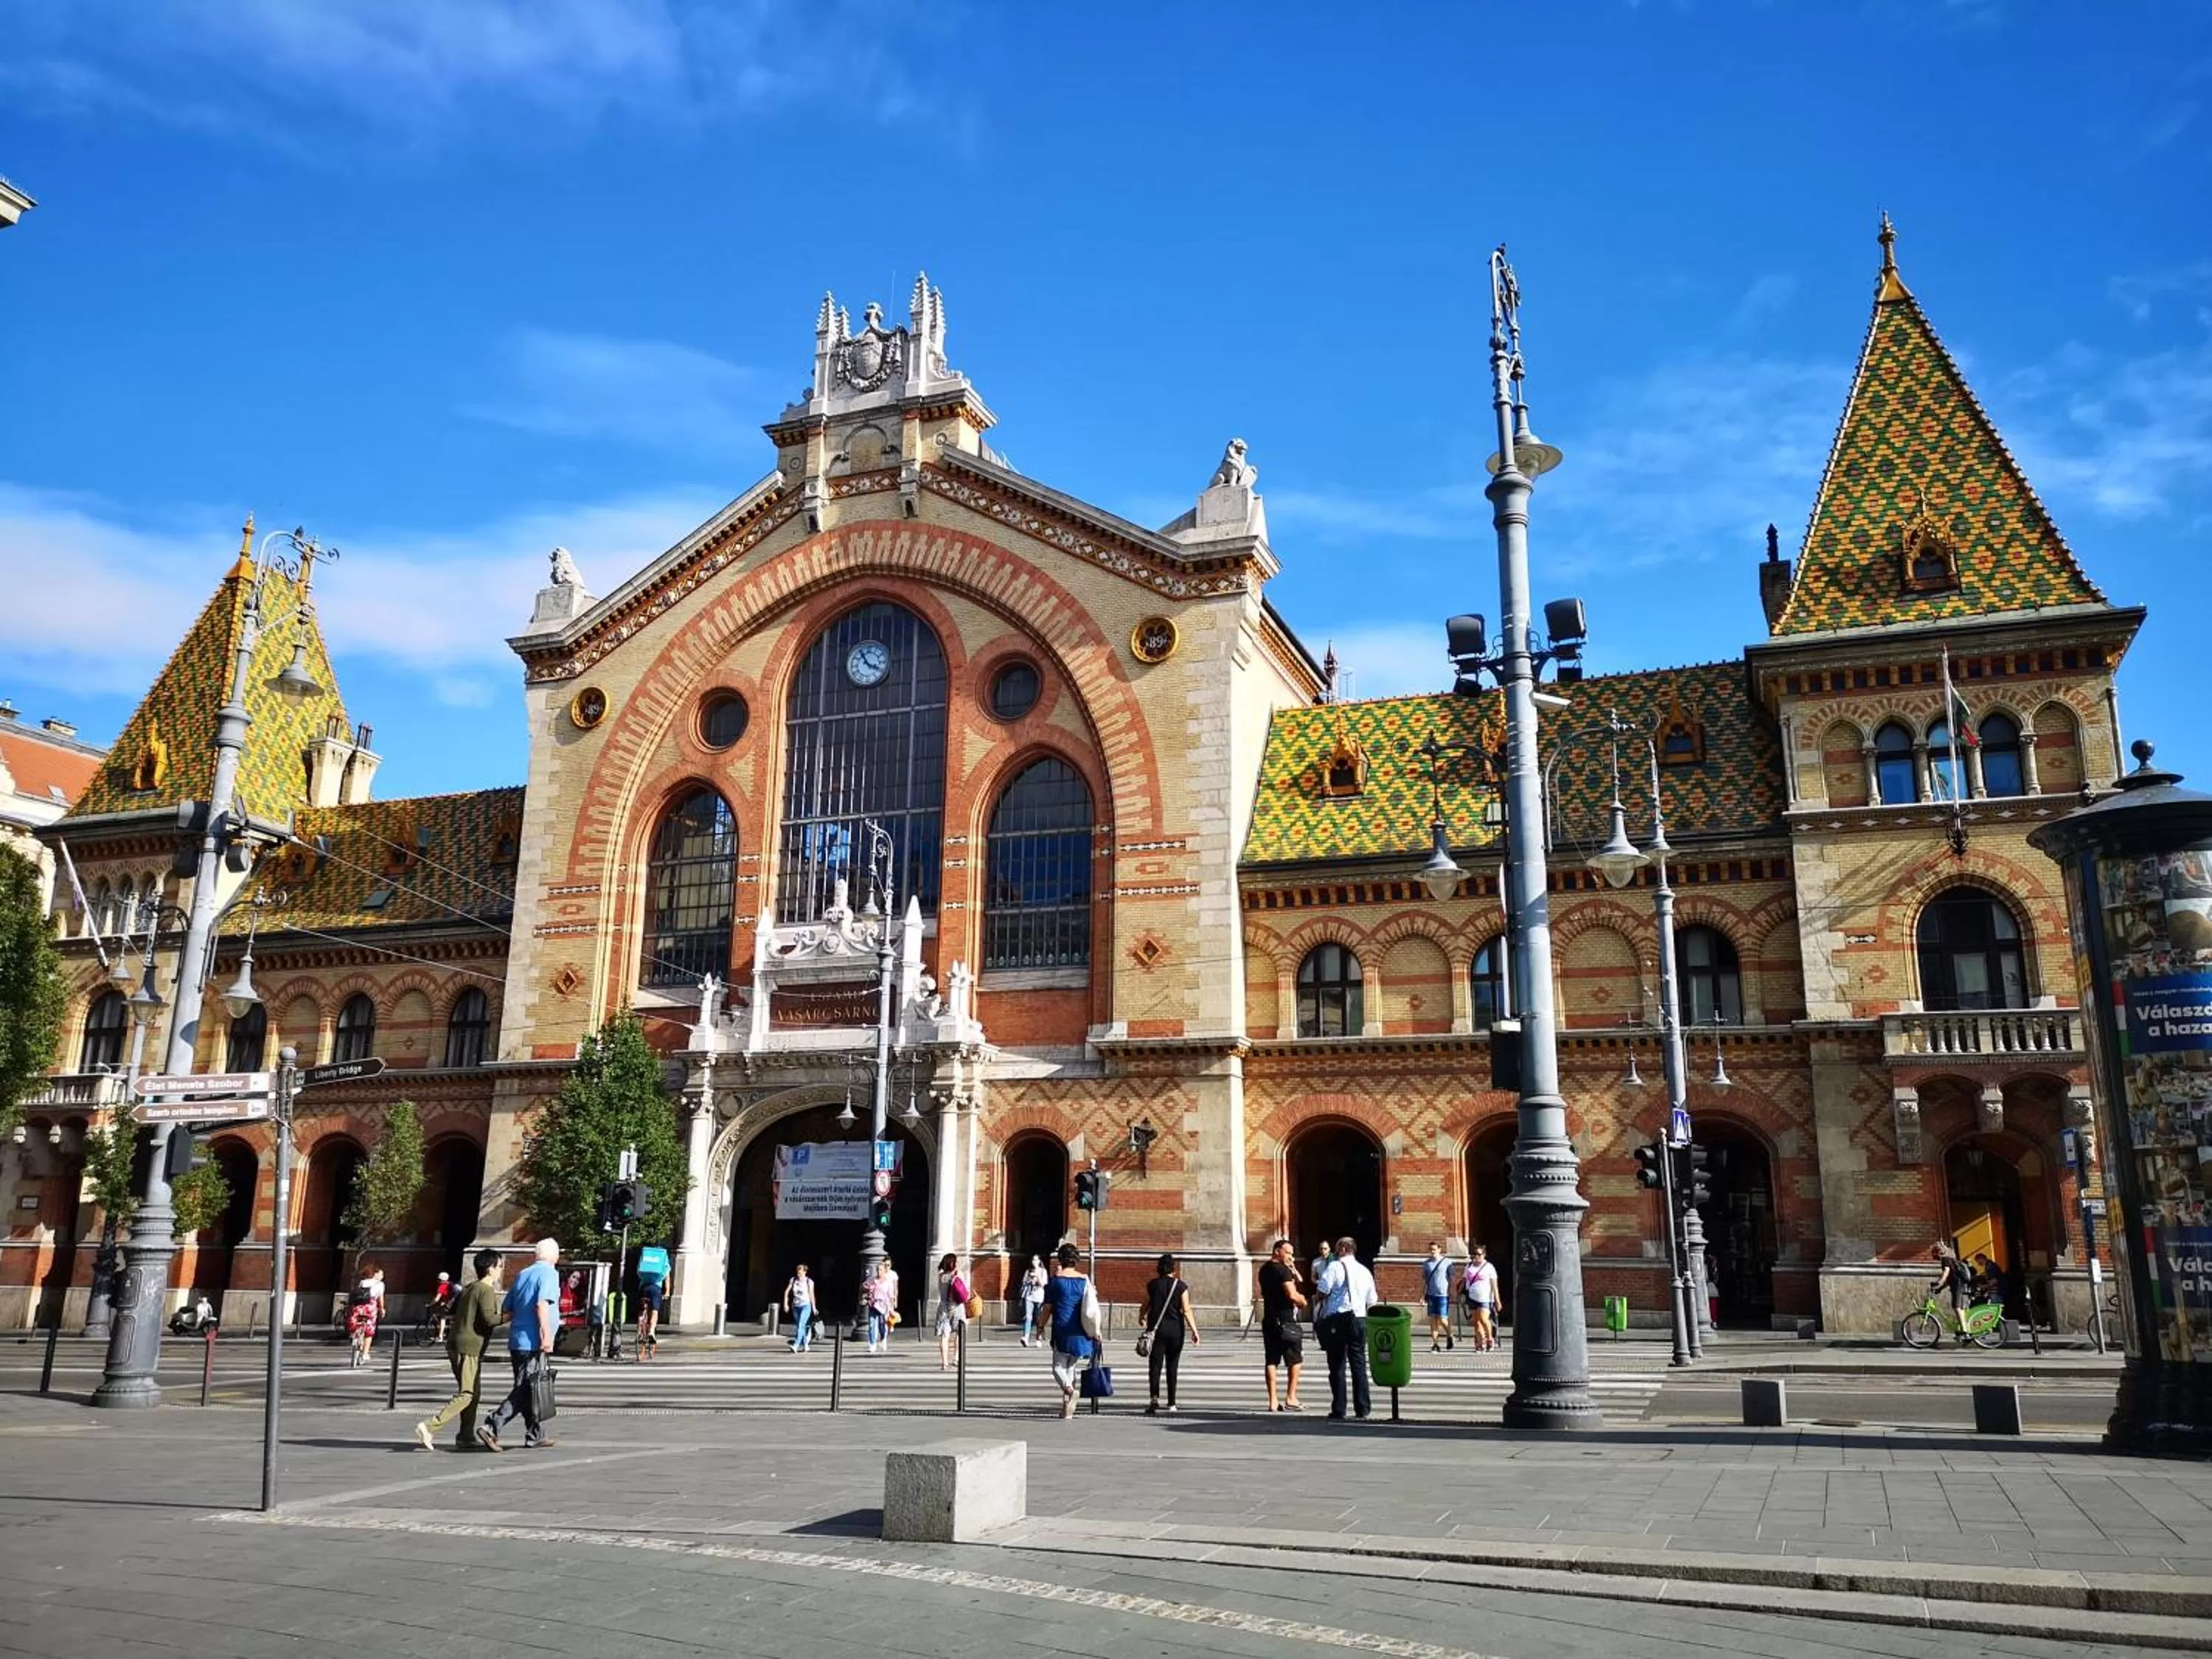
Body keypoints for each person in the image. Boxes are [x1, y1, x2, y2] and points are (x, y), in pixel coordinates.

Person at [414, 1250, 504, 1452]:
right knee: (467, 1393)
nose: (501, 1270)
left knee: (474, 1393)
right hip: (469, 1347)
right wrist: (510, 1315)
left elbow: (453, 1309)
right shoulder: (486, 1290)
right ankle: (430, 1426)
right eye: (499, 1266)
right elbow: (490, 1319)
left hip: (457, 1343)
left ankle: (466, 1436)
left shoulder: (470, 1287)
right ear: (490, 1269)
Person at [478, 1238, 561, 1452]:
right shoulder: (550, 1274)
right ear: (554, 1255)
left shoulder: (523, 1274)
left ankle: (536, 1434)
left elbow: (508, 1306)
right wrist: (547, 1336)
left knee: (531, 1386)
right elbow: (542, 1305)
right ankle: (492, 1425)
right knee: (526, 1389)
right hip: (534, 1341)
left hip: (518, 1339)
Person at [1314, 1235, 1378, 1421]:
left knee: (1337, 1365)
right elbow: (1372, 1300)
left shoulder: (1335, 1266)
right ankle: (1363, 1408)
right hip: (1359, 1318)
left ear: (1343, 1249)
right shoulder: (1364, 1270)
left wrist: (1320, 1301)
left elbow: (1322, 1290)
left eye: (1336, 1248)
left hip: (1339, 1319)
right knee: (1359, 1364)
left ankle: (1339, 1408)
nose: (1335, 1252)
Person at [1041, 1242, 1099, 1419]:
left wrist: (1040, 1327)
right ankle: (1067, 1409)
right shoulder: (1084, 1281)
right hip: (1080, 1330)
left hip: (1062, 1329)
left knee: (1058, 1368)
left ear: (1060, 1259)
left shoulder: (1055, 1282)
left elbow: (1047, 1309)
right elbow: (1092, 1307)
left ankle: (1070, 1390)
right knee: (1071, 1368)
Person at [1141, 1252, 1198, 1414]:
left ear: (1159, 1268)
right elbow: (1186, 1310)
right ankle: (1172, 1403)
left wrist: (1141, 1317)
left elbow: (1145, 1304)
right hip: (1175, 1331)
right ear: (1173, 1268)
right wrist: (1194, 1331)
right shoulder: (1181, 1286)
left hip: (1156, 1331)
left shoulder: (1152, 1285)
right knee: (1172, 1366)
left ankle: (1154, 1400)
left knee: (1155, 1366)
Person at [1257, 1238, 1307, 1412]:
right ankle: (1291, 1397)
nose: (1290, 1256)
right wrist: (1302, 1301)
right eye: (1288, 1253)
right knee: (1295, 1359)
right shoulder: (1282, 1271)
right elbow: (1292, 1295)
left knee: (1271, 1360)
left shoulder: (1264, 1269)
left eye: (1292, 1253)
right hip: (1286, 1320)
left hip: (1269, 1319)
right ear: (1277, 1251)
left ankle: (1273, 1401)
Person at [934, 1253, 970, 1371]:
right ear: (953, 1263)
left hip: (943, 1307)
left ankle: (944, 1363)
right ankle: (956, 1358)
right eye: (956, 1261)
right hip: (957, 1307)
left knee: (944, 1336)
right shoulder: (958, 1274)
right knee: (959, 1333)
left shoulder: (941, 1276)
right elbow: (965, 1291)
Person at [1930, 1243, 1972, 1343]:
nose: (1933, 1255)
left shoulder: (1945, 1259)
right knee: (1959, 1308)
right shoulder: (1950, 1259)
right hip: (1958, 1285)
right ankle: (1963, 1330)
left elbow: (1946, 1272)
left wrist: (1938, 1282)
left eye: (1934, 1252)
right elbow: (1950, 1279)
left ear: (1939, 1252)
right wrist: (1940, 1288)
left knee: (1957, 1307)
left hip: (1958, 1285)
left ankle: (1965, 1333)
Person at [635, 1242, 670, 1357]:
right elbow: (667, 1278)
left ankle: (640, 1326)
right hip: (655, 1288)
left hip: (644, 1287)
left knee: (642, 1308)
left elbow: (639, 1271)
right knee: (654, 1311)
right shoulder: (664, 1259)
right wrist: (667, 1292)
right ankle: (651, 1332)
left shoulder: (646, 1256)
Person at [1463, 1244, 1500, 1352]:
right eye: (1474, 1254)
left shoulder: (1489, 1267)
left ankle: (1490, 1338)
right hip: (1472, 1297)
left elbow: (1494, 1285)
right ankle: (1480, 1343)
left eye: (1479, 1254)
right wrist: (1459, 1293)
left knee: (1484, 1319)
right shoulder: (1469, 1266)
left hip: (1485, 1298)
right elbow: (1465, 1281)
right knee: (1476, 1322)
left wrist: (1497, 1300)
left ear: (1484, 1255)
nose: (1476, 1257)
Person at [346, 1265, 385, 1368]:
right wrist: (382, 1309)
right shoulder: (380, 1284)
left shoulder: (363, 1282)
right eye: (381, 1274)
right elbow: (380, 1299)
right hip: (370, 1307)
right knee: (369, 1331)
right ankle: (365, 1353)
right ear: (375, 1274)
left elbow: (358, 1294)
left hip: (358, 1306)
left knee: (356, 1321)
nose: (382, 1276)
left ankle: (355, 1335)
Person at [1422, 1242, 1455, 1352]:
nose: (1432, 1252)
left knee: (1443, 1319)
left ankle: (1450, 1335)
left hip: (1443, 1295)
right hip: (1431, 1295)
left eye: (1434, 1249)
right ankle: (1435, 1344)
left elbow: (1452, 1279)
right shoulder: (1427, 1264)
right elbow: (1424, 1281)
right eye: (1431, 1249)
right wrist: (1422, 1295)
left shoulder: (1447, 1262)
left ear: (1440, 1250)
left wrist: (1452, 1292)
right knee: (1433, 1320)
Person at [783, 1263, 818, 1352]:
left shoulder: (809, 1282)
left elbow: (811, 1295)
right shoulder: (793, 1280)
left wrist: (814, 1308)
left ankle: (796, 1345)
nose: (798, 1273)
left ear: (805, 1272)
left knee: (801, 1324)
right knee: (800, 1326)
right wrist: (786, 1304)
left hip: (806, 1306)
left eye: (800, 1271)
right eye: (797, 1271)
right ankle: (805, 1345)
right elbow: (787, 1292)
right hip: (796, 1306)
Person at [866, 1258, 898, 1353]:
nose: (879, 1272)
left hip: (883, 1307)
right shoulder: (872, 1280)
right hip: (873, 1305)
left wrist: (891, 1308)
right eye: (878, 1270)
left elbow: (891, 1296)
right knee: (872, 1325)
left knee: (882, 1325)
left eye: (881, 1270)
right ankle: (872, 1344)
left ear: (884, 1271)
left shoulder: (888, 1283)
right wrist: (867, 1295)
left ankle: (883, 1339)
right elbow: (865, 1289)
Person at [1019, 1255, 1048, 1347]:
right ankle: (1026, 1337)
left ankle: (1038, 1338)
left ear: (1039, 1261)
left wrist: (1037, 1276)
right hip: (1029, 1296)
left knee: (1039, 1318)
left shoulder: (1043, 1271)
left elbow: (1043, 1284)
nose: (1034, 1262)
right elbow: (1024, 1283)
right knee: (1028, 1317)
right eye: (1033, 1260)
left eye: (1036, 1260)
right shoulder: (1028, 1271)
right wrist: (1030, 1279)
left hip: (1039, 1296)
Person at [427, 1272, 456, 1343]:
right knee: (444, 1315)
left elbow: (437, 1299)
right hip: (453, 1304)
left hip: (448, 1305)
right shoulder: (450, 1284)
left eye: (439, 1279)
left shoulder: (442, 1286)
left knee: (442, 1319)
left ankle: (440, 1336)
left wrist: (430, 1304)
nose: (438, 1281)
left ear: (441, 1280)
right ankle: (446, 1332)